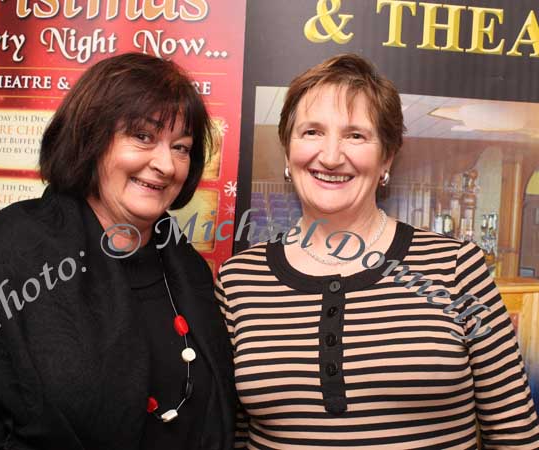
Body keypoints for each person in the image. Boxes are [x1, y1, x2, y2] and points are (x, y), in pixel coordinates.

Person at [215, 54, 539, 448]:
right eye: (312, 132)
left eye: (356, 135)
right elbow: (232, 435)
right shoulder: (239, 280)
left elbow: (514, 433)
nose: (331, 156)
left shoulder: (456, 267)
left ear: (386, 157)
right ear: (287, 151)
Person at [0, 53, 236, 450]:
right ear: (91, 137)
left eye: (180, 147)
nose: (166, 164)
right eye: (143, 137)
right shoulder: (5, 252)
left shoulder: (189, 271)